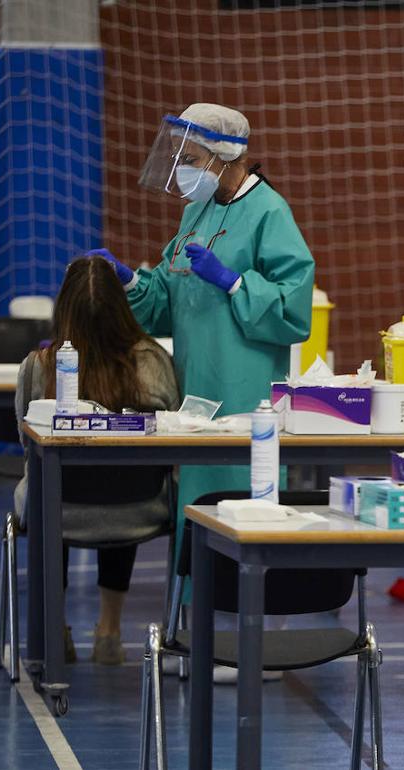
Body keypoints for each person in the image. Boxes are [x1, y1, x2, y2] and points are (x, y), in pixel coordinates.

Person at [89, 103, 315, 526]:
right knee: (196, 514)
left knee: (238, 512)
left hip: (245, 399)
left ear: (226, 155)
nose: (181, 170)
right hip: (193, 399)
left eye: (189, 159)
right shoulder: (196, 212)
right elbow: (167, 302)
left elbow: (294, 307)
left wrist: (234, 282)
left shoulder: (269, 211)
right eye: (177, 159)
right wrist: (130, 282)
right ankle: (194, 595)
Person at [15, 257, 180, 665]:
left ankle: (55, 626)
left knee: (51, 483)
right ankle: (109, 629)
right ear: (122, 308)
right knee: (123, 474)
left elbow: (26, 442)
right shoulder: (155, 362)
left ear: (64, 309)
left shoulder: (38, 367)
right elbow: (174, 436)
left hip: (58, 510)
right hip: (143, 510)